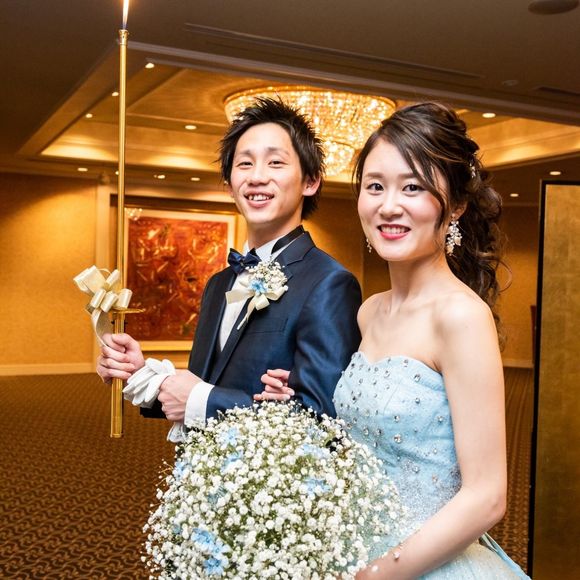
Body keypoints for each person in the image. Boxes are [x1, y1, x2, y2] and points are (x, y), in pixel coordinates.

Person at [257, 102, 530, 578]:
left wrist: (377, 574)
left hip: (422, 564)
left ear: (457, 205)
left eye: (413, 187)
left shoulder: (461, 317)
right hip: (355, 550)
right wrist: (298, 406)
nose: (388, 206)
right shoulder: (370, 311)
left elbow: (487, 497)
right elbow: (371, 441)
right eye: (375, 186)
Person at [96, 97, 361, 436]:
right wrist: (139, 373)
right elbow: (205, 382)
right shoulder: (219, 283)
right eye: (244, 164)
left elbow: (323, 419)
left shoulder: (329, 283)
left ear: (310, 181)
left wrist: (201, 401)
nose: (257, 177)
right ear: (229, 186)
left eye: (276, 162)